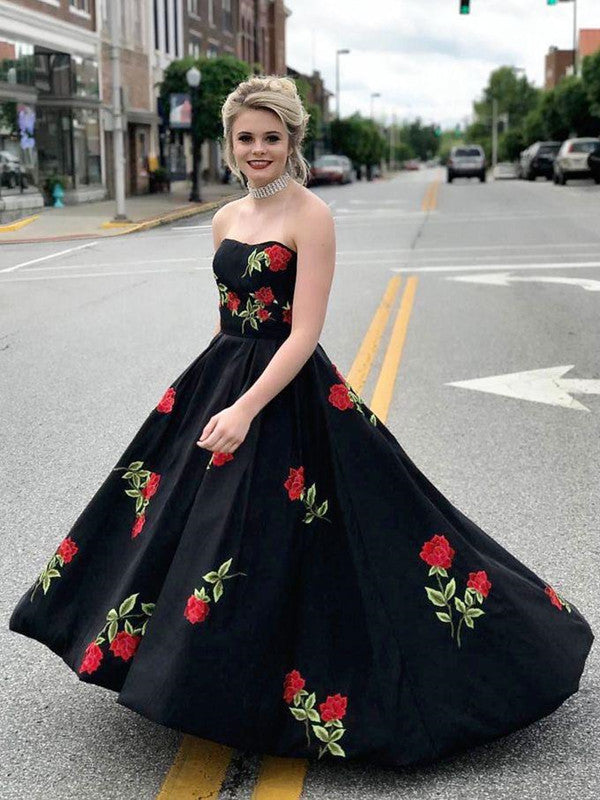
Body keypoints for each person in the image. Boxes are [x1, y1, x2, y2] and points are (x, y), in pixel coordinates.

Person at [8, 75, 594, 769]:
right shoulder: (226, 219)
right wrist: (218, 395)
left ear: (293, 142)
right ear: (229, 143)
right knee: (196, 531)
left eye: (272, 138)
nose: (258, 150)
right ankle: (199, 673)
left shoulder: (310, 215)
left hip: (282, 391)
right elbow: (230, 318)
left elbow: (302, 333)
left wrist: (246, 407)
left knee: (341, 532)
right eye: (246, 138)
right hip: (220, 378)